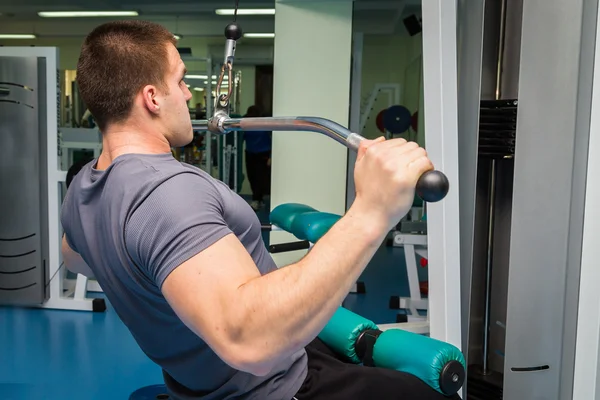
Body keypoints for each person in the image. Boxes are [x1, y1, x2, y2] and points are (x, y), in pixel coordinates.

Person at [60, 20, 458, 400]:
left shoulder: (84, 189)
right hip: (276, 387)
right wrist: (373, 209)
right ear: (151, 98)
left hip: (222, 380)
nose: (186, 95)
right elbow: (249, 341)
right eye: (180, 81)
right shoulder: (167, 193)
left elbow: (75, 257)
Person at [242, 105, 272, 210]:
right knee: (252, 177)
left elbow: (273, 139)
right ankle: (259, 200)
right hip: (250, 153)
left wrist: (271, 157)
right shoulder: (245, 124)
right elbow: (242, 138)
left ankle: (256, 200)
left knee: (260, 178)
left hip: (263, 154)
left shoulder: (264, 124)